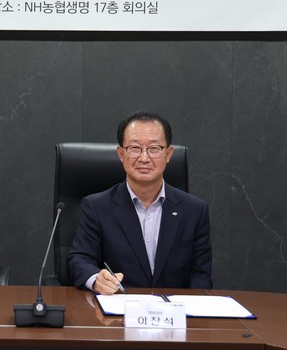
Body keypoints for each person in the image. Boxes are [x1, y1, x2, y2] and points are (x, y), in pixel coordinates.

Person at [67, 111, 212, 294]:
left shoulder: (194, 210)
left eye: (154, 148)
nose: (144, 158)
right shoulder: (96, 207)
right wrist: (97, 280)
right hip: (118, 308)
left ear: (168, 154)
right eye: (135, 148)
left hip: (174, 309)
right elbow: (79, 259)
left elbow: (200, 276)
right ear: (121, 154)